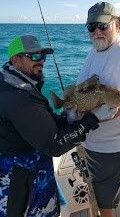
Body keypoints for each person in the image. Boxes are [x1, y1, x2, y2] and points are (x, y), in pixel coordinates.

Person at [0, 34, 101, 217]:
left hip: (23, 173)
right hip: (22, 182)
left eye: (43, 56)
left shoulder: (14, 84)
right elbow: (54, 145)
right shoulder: (19, 98)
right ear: (15, 60)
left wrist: (67, 118)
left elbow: (41, 124)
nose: (41, 62)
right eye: (34, 57)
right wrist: (90, 121)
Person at [76, 2, 120, 217]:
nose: (96, 32)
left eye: (102, 25)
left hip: (109, 147)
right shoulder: (95, 51)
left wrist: (82, 115)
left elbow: (117, 107)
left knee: (105, 204)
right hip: (90, 141)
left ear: (117, 24)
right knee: (96, 196)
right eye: (91, 27)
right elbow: (82, 87)